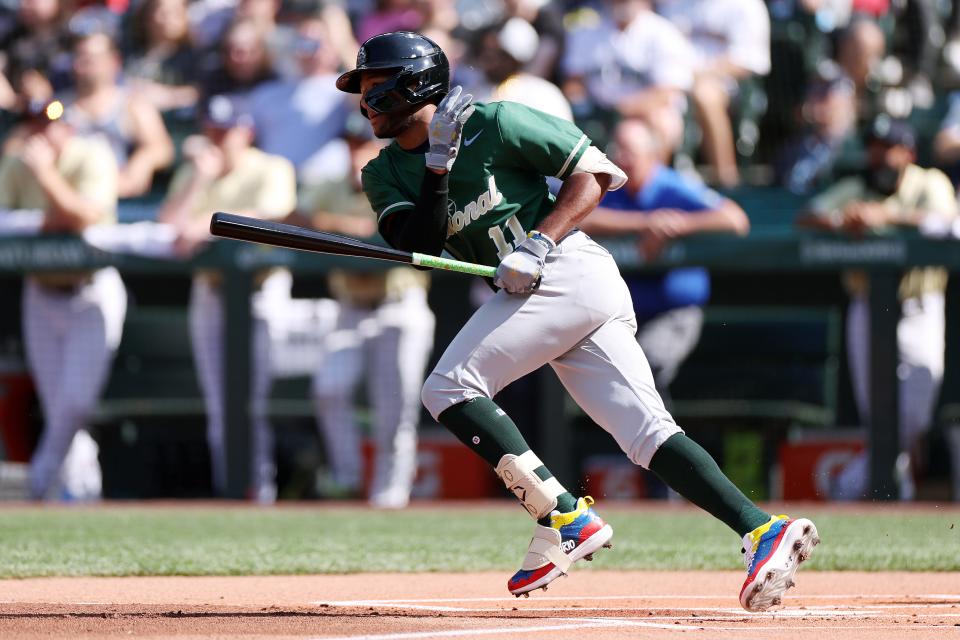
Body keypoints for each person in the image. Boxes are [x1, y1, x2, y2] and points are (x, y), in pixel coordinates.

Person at [337, 31, 819, 611]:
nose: (365, 101)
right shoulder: (384, 172)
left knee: (448, 387)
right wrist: (438, 164)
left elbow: (594, 173)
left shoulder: (498, 121)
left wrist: (539, 242)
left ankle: (564, 515)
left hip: (566, 269)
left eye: (374, 86)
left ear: (414, 84)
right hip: (542, 294)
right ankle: (762, 530)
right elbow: (418, 240)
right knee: (648, 435)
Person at [798, 118, 957, 501]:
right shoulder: (858, 188)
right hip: (868, 307)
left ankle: (849, 485)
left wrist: (887, 218)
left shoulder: (929, 181)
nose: (882, 155)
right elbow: (807, 216)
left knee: (913, 414)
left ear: (909, 152)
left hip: (920, 303)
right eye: (875, 146)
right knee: (879, 418)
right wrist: (842, 220)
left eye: (890, 147)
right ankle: (892, 493)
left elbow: (948, 223)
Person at [158, 94, 296, 502]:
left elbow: (275, 215)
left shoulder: (271, 166)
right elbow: (167, 229)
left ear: (246, 131)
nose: (218, 140)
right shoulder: (197, 170)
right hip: (211, 291)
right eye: (212, 131)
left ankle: (261, 491)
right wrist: (200, 179)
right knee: (219, 406)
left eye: (226, 131)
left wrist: (205, 223)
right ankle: (231, 494)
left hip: (260, 291)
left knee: (252, 402)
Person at [293, 117, 435, 509]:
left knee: (395, 406)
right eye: (351, 143)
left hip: (398, 303)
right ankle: (348, 477)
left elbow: (386, 232)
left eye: (364, 143)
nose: (357, 150)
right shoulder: (330, 185)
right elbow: (297, 218)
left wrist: (337, 227)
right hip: (351, 308)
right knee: (329, 389)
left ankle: (390, 494)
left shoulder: (398, 176)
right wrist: (336, 225)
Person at [0, 99, 126, 500]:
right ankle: (79, 493)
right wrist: (45, 219)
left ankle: (38, 482)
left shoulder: (92, 154)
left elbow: (83, 215)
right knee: (59, 408)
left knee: (75, 402)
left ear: (68, 128)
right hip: (40, 292)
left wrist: (46, 175)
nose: (42, 134)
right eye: (35, 126)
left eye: (51, 125)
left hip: (91, 290)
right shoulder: (17, 163)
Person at [578, 118, 749, 408]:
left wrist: (678, 225)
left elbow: (735, 219)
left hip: (674, 311)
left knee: (647, 364)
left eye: (630, 151)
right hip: (622, 311)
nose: (623, 158)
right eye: (618, 150)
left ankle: (662, 447)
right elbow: (581, 216)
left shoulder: (672, 185)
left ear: (652, 154)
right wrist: (646, 223)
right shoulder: (611, 184)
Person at [656, 0, 771, 187]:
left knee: (705, 94)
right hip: (674, 82)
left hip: (730, 85)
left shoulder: (746, 5)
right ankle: (656, 186)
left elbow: (750, 61)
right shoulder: (671, 4)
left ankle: (726, 179)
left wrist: (698, 74)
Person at [561, 0, 694, 154]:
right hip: (598, 111)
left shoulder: (663, 32)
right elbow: (574, 81)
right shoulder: (587, 31)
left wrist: (623, 110)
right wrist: (581, 101)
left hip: (644, 113)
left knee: (662, 122)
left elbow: (667, 91)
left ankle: (653, 177)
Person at [60, 31, 174, 199]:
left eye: (92, 58)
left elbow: (161, 149)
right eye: (79, 56)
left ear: (114, 61)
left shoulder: (132, 104)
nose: (84, 64)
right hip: (66, 196)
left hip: (117, 196)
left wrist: (142, 163)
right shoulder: (58, 107)